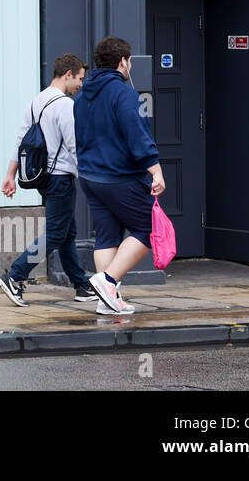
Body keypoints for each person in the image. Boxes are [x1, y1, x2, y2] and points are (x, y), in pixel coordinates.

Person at [0, 54, 97, 307]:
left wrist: (10, 174)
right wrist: (90, 174)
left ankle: (81, 285)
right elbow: (74, 145)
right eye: (80, 79)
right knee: (55, 234)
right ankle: (14, 276)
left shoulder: (37, 101)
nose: (81, 85)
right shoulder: (65, 105)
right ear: (68, 74)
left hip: (43, 177)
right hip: (61, 177)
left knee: (66, 232)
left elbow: (21, 140)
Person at [74, 36, 166, 315]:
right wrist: (155, 169)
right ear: (123, 62)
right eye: (129, 61)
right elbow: (137, 134)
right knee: (150, 230)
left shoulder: (82, 96)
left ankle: (108, 299)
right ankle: (108, 281)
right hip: (119, 177)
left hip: (90, 177)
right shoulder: (124, 94)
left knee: (106, 236)